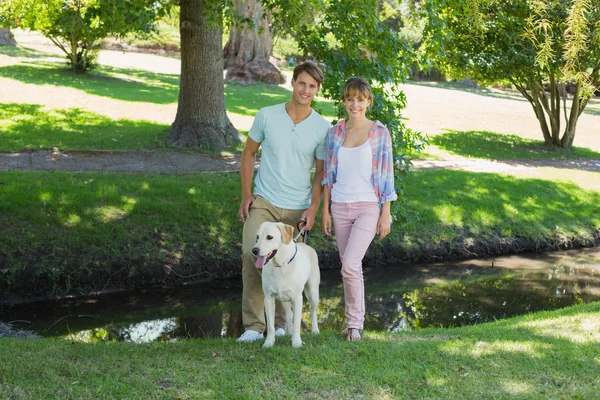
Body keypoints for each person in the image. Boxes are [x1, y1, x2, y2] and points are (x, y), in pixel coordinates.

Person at [237, 62, 331, 343]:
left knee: (286, 263)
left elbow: (320, 173)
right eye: (302, 83)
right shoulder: (267, 115)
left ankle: (280, 325)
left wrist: (313, 208)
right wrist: (246, 193)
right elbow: (248, 153)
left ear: (317, 90)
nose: (306, 90)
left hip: (296, 207)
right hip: (264, 201)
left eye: (312, 86)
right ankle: (254, 327)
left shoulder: (321, 128)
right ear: (292, 82)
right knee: (253, 253)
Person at [321, 77, 397, 342]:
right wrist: (325, 210)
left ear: (369, 101)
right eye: (350, 99)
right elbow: (328, 175)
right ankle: (352, 323)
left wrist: (385, 212)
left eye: (361, 99)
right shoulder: (334, 133)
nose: (355, 104)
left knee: (351, 264)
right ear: (344, 101)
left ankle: (355, 325)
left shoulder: (379, 132)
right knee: (348, 266)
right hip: (339, 206)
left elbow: (387, 174)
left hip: (367, 207)